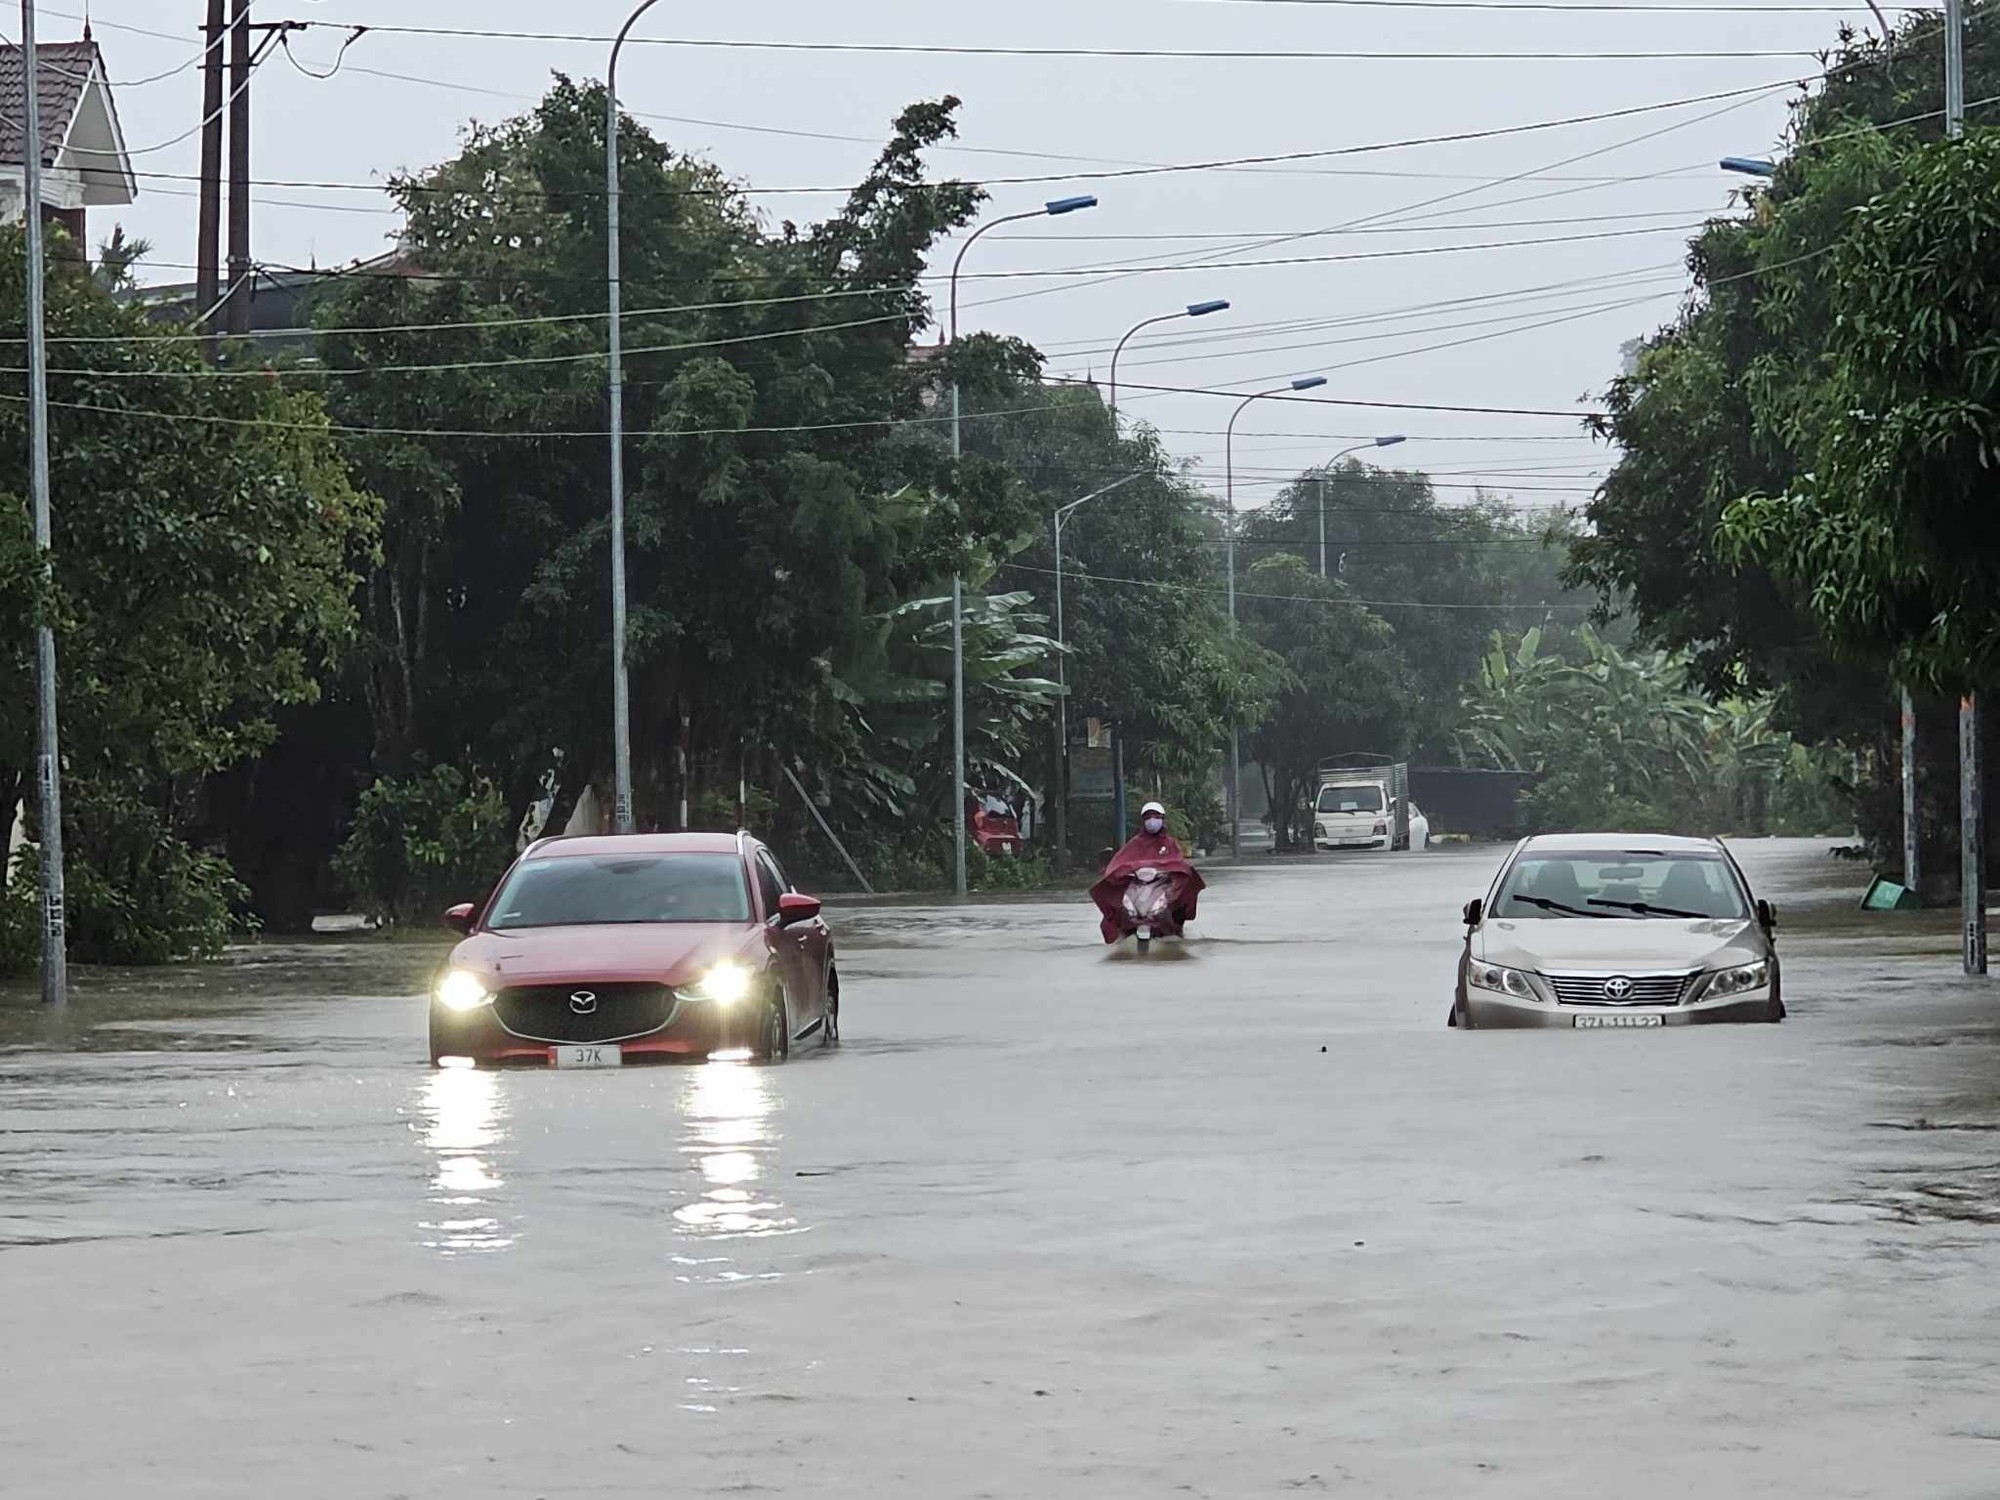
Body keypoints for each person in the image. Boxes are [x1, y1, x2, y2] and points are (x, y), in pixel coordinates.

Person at [1090, 801, 1204, 943]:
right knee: (1120, 910)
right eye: (1148, 817)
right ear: (1143, 821)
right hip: (1138, 886)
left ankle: (1175, 927)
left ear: (1162, 819)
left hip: (1162, 886)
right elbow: (1119, 863)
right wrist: (1119, 873)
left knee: (1176, 904)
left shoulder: (1169, 843)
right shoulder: (1135, 843)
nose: (1152, 820)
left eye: (1156, 816)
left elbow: (1178, 863)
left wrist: (1174, 871)